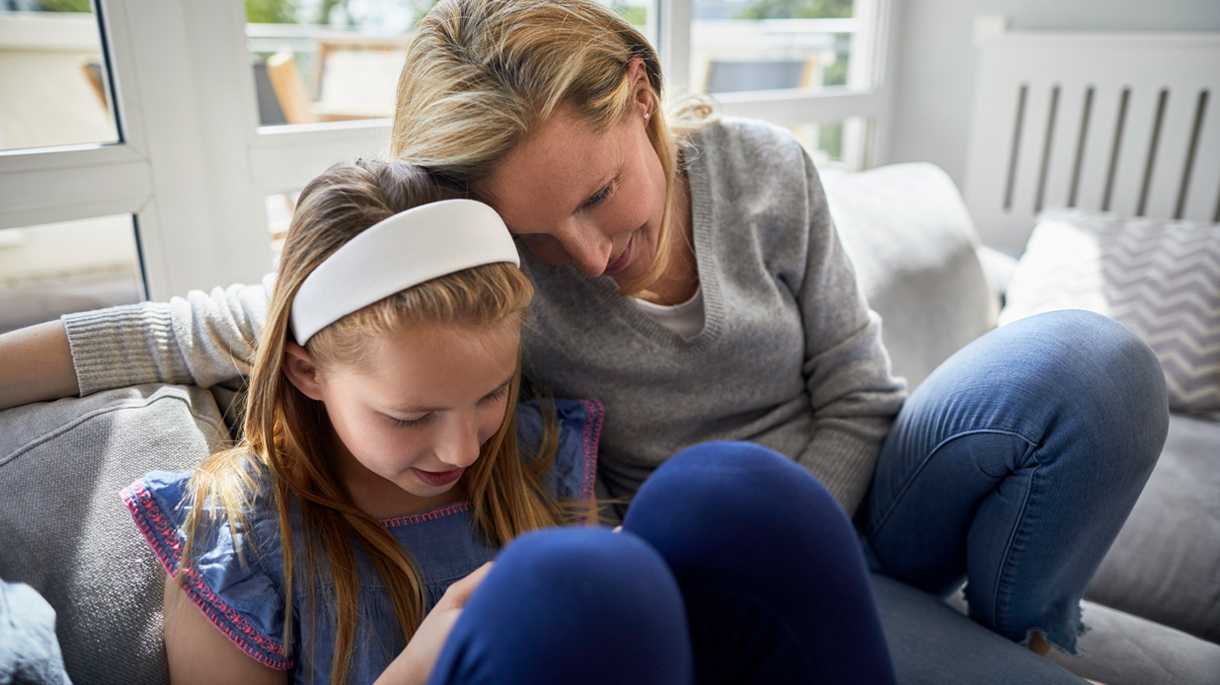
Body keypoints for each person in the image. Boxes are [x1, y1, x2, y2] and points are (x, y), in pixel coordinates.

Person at [0, 0, 1168, 680]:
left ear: (642, 91)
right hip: (678, 550)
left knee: (1090, 365)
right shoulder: (473, 281)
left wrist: (818, 547)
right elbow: (219, 322)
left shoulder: (765, 172)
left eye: (601, 194)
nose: (586, 252)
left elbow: (861, 394)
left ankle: (1031, 627)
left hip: (827, 511)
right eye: (531, 229)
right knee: (699, 511)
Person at [117, 157, 895, 684]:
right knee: (568, 585)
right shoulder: (239, 536)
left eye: (491, 394)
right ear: (306, 369)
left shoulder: (537, 459)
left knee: (733, 492)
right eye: (408, 414)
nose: (461, 446)